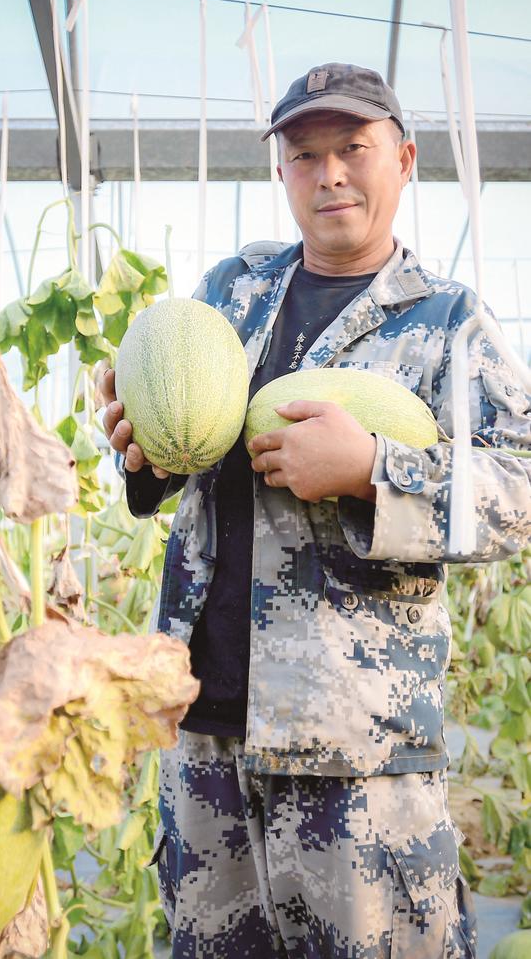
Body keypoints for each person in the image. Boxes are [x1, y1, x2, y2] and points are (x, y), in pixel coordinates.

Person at [100, 62, 530, 958]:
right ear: (284, 172)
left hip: (357, 757)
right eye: (306, 155)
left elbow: (521, 489)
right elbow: (184, 455)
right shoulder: (231, 291)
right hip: (205, 737)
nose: (330, 173)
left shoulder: (451, 324)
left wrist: (373, 468)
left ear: (404, 159)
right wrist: (140, 453)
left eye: (353, 149)